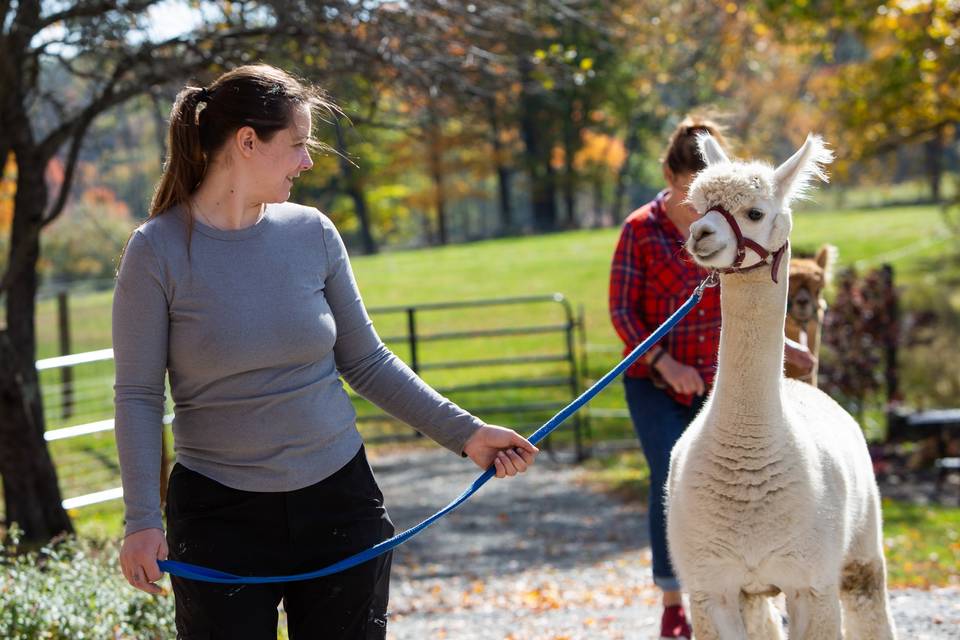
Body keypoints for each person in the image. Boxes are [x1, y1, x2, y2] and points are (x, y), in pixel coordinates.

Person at [113, 64, 538, 640]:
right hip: (218, 515)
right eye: (296, 144)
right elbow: (138, 396)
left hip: (340, 501)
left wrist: (466, 434)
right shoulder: (156, 251)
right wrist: (141, 519)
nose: (308, 161)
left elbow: (367, 361)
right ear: (246, 142)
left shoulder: (312, 233)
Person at [608, 117, 814, 639]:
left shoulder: (733, 225)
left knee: (745, 484)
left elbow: (745, 304)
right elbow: (623, 313)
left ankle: (755, 582)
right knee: (674, 479)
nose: (688, 201)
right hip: (656, 382)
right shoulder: (641, 229)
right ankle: (677, 598)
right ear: (672, 180)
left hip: (720, 379)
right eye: (683, 190)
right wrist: (664, 364)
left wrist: (784, 346)